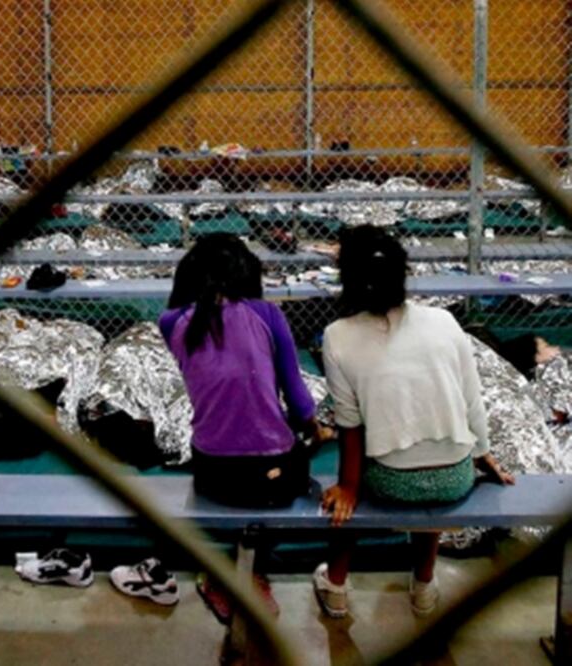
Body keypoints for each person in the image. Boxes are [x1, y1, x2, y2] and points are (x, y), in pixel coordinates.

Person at [109, 234, 324, 613]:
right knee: (300, 455)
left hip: (214, 471)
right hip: (275, 477)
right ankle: (251, 570)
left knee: (228, 450)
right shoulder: (267, 314)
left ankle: (223, 575)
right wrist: (315, 429)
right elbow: (300, 401)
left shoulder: (171, 321)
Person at [313, 225, 514, 619]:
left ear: (347, 279)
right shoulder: (444, 321)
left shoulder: (336, 336)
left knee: (349, 491)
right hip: (455, 478)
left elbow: (350, 426)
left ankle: (336, 585)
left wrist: (349, 486)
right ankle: (423, 583)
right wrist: (483, 454)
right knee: (429, 442)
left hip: (393, 482)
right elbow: (472, 399)